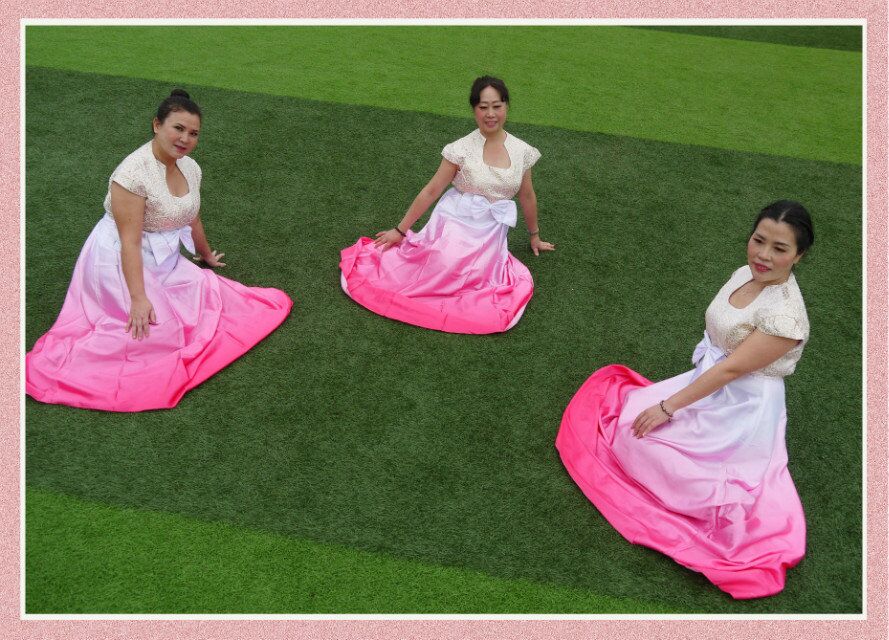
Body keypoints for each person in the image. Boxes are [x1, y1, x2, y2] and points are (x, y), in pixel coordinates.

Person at [556, 201, 814, 599]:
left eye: (779, 249)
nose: (763, 255)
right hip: (710, 382)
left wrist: (668, 407)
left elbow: (731, 370)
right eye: (758, 240)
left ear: (799, 255)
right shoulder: (744, 273)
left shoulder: (786, 318)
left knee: (652, 445)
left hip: (742, 409)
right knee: (629, 424)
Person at [26, 89, 292, 412]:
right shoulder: (132, 175)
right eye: (178, 128)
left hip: (163, 258)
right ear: (156, 125)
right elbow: (129, 242)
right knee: (154, 333)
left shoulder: (190, 168)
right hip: (119, 259)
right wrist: (138, 298)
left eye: (193, 133)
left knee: (213, 295)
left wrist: (206, 254)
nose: (185, 139)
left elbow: (191, 215)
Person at [339, 76, 554, 334]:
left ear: (506, 106)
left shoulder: (522, 151)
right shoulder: (460, 149)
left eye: (497, 106)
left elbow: (527, 195)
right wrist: (400, 230)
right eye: (483, 107)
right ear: (474, 109)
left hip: (490, 231)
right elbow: (432, 190)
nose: (490, 114)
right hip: (456, 220)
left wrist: (534, 236)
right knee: (446, 262)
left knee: (478, 276)